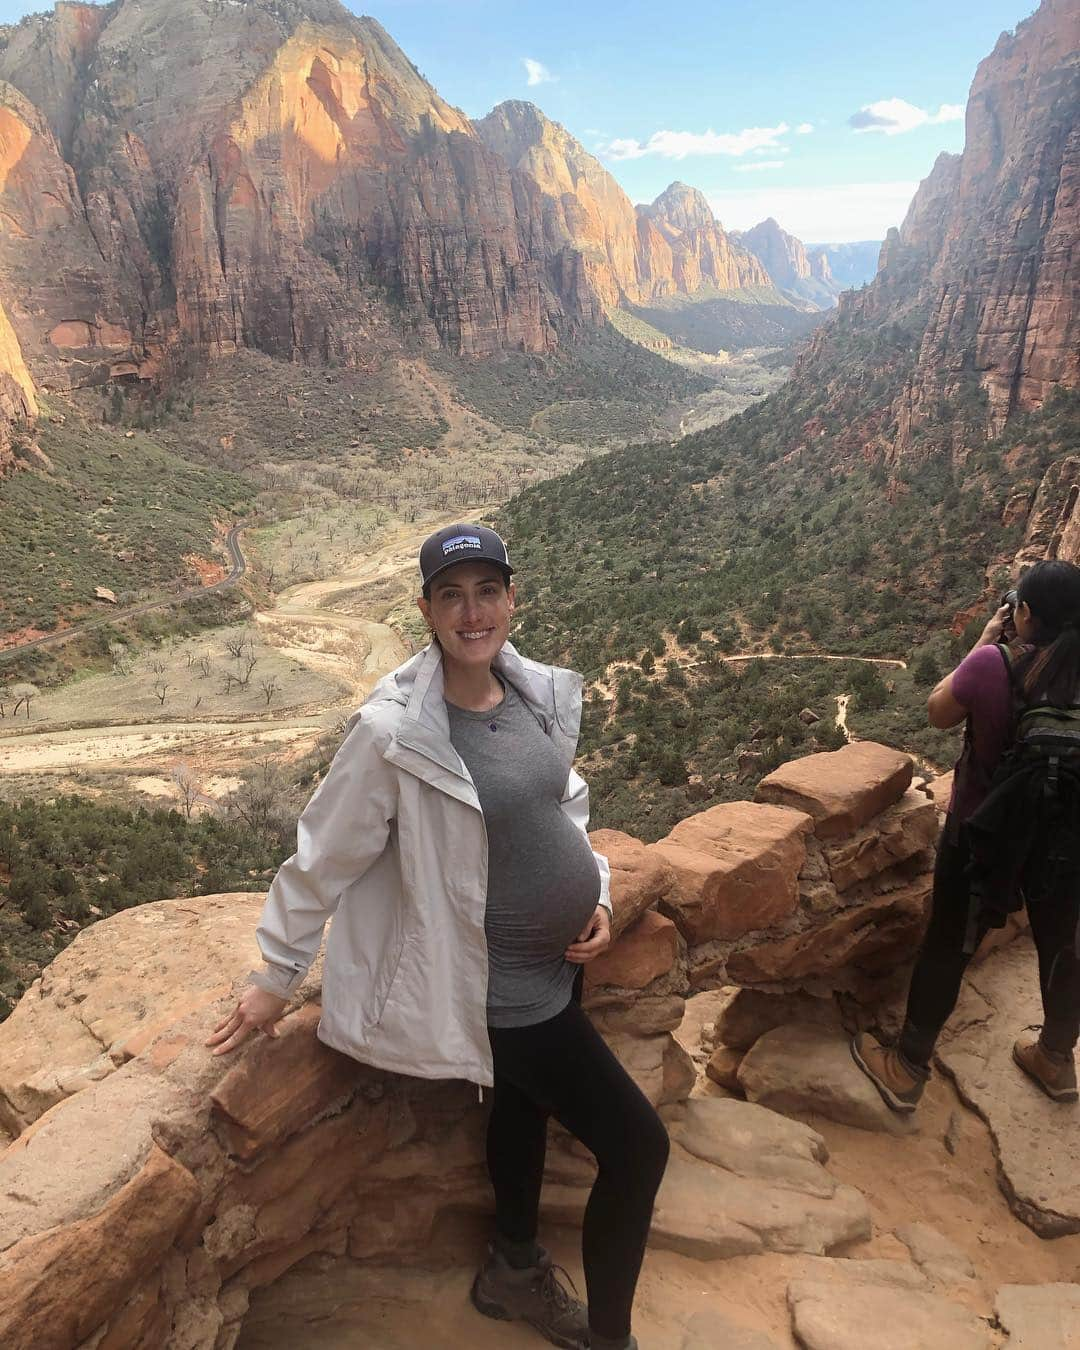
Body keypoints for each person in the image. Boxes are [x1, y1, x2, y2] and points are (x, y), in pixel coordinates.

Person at [206, 523, 669, 1350]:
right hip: (500, 989)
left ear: (511, 600)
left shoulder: (530, 694)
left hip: (558, 964)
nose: (472, 611)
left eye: (487, 590)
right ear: (425, 610)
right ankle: (611, 1341)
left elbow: (559, 806)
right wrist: (276, 973)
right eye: (451, 595)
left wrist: (593, 890)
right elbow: (324, 853)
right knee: (638, 1147)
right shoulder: (395, 735)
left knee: (522, 1108)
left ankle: (512, 1270)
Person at [852, 559, 1080, 1111]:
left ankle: (906, 1069)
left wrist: (980, 643)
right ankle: (1055, 1058)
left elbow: (937, 713)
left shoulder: (990, 664)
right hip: (1068, 837)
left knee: (951, 942)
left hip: (985, 831)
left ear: (1022, 612)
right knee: (1065, 944)